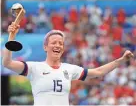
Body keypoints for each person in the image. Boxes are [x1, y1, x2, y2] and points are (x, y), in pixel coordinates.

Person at [2, 22, 134, 105]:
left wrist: (120, 60)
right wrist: (11, 36)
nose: (58, 45)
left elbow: (97, 72)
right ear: (45, 47)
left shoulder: (69, 69)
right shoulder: (34, 67)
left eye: (60, 43)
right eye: (54, 42)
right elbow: (7, 63)